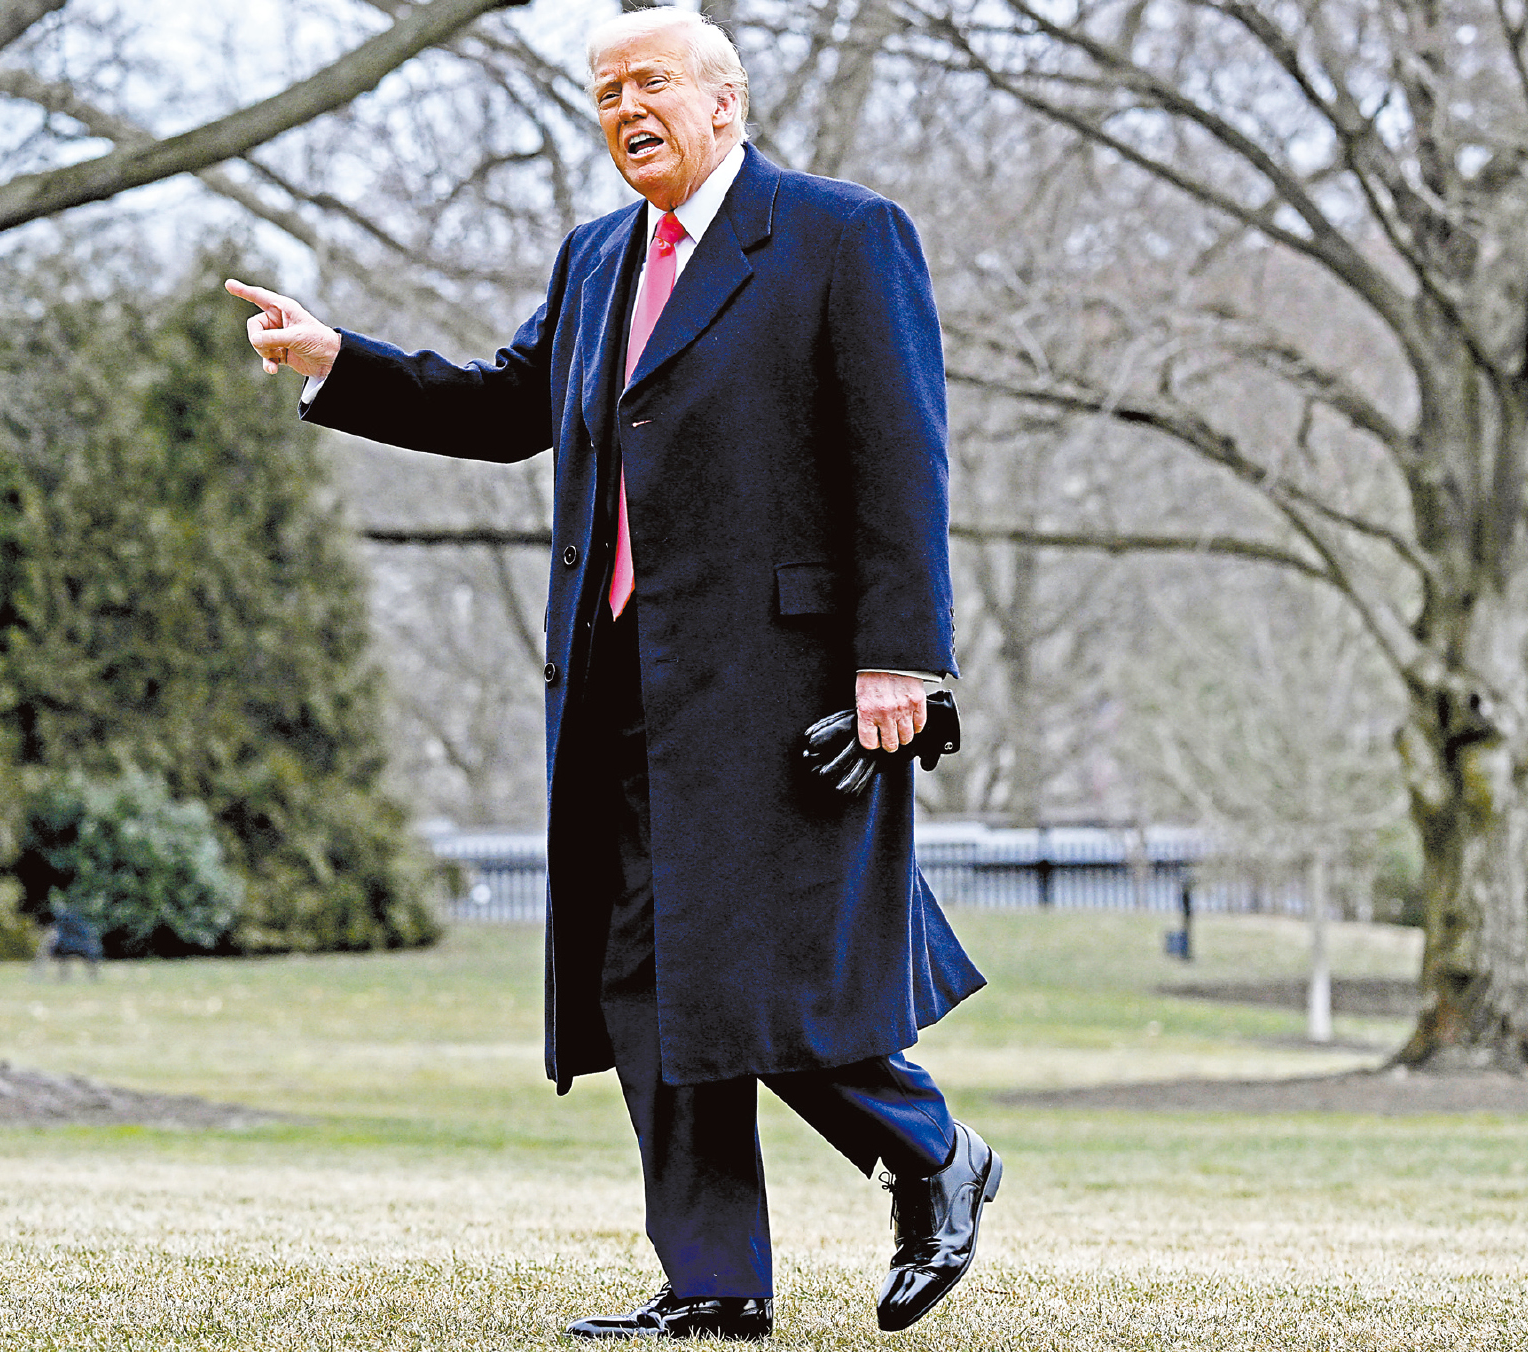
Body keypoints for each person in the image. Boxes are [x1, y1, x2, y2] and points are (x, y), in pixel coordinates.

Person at [227, 9, 999, 1339]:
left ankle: (932, 1152)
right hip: (618, 683)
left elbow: (899, 455)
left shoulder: (838, 234)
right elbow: (505, 405)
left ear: (724, 99)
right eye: (603, 93)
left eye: (648, 83)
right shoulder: (596, 257)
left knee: (770, 971)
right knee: (645, 976)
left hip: (790, 692)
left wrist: (901, 662)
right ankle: (712, 1282)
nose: (624, 109)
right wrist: (341, 362)